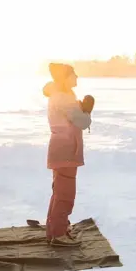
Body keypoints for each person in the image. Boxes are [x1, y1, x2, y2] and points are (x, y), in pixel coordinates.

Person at [40, 63, 94, 246]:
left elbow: (72, 116)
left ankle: (56, 229)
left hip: (63, 147)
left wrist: (80, 106)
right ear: (65, 78)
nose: (77, 77)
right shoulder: (63, 98)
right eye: (73, 74)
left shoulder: (61, 96)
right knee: (65, 193)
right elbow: (81, 121)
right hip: (66, 149)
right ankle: (58, 234)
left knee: (60, 191)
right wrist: (86, 110)